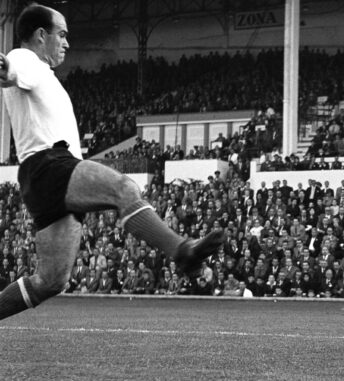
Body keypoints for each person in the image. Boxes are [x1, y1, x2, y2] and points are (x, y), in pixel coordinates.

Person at [0, 4, 223, 320]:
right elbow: (10, 70)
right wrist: (5, 68)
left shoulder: (43, 76)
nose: (66, 43)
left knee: (49, 282)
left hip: (45, 178)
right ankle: (182, 251)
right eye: (61, 35)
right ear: (40, 35)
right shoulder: (26, 60)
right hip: (49, 165)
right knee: (124, 188)